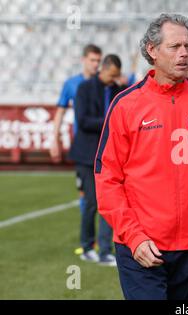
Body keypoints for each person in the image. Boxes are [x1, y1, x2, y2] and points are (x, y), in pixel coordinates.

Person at [94, 14, 188, 300]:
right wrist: (133, 236)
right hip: (141, 246)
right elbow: (107, 178)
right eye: (175, 46)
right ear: (152, 50)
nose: (184, 54)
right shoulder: (126, 105)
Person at [69, 54, 125, 266]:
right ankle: (86, 246)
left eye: (116, 76)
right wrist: (110, 121)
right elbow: (82, 121)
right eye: (111, 75)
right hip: (86, 155)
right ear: (103, 69)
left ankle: (105, 250)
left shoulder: (119, 90)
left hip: (110, 156)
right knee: (91, 202)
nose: (113, 79)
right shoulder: (84, 88)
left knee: (108, 202)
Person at [50, 44, 102, 248]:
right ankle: (91, 239)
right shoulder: (72, 84)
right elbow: (61, 111)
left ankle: (102, 240)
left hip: (103, 146)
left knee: (105, 196)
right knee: (86, 197)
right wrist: (54, 139)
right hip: (84, 147)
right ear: (83, 60)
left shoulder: (104, 83)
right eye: (92, 60)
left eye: (98, 61)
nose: (95, 64)